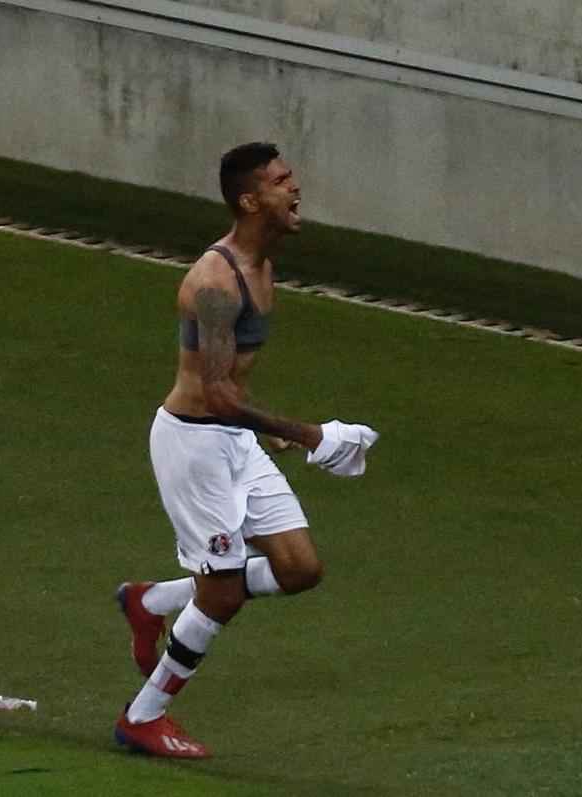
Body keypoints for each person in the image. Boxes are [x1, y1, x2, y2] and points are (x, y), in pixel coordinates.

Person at [112, 142, 379, 758]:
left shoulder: (263, 266)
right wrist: (314, 435)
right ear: (250, 199)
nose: (296, 190)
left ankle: (150, 602)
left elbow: (232, 391)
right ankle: (142, 718)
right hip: (193, 448)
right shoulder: (214, 283)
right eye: (283, 182)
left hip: (230, 438)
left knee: (300, 570)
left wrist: (272, 431)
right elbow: (215, 393)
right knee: (224, 594)